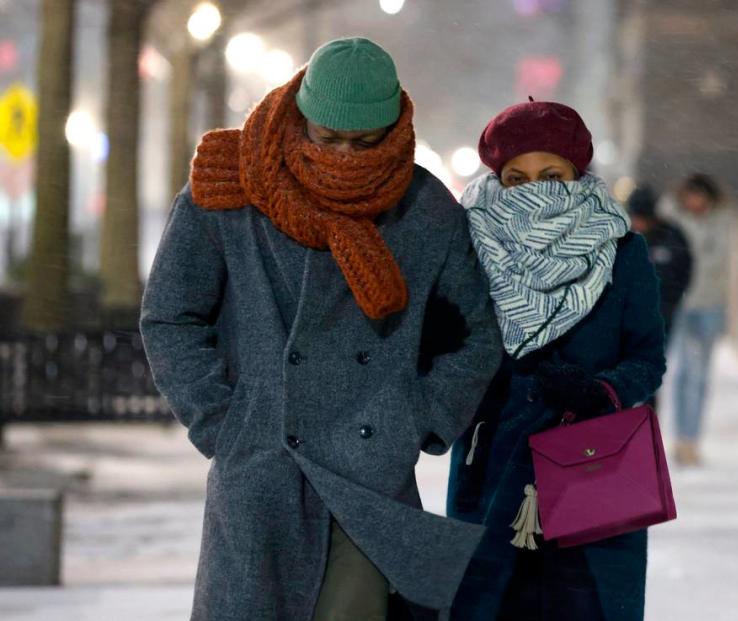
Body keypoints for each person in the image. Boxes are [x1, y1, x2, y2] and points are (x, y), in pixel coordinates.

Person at [140, 37, 502, 621]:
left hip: (369, 475)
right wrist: (221, 419)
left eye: (363, 144)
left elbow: (475, 334)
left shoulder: (424, 209)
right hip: (261, 464)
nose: (344, 157)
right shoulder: (228, 188)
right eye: (327, 138)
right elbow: (170, 315)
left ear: (393, 133)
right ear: (299, 118)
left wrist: (417, 417)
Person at [446, 100, 666, 621]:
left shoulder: (622, 250)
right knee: (487, 602)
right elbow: (444, 349)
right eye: (517, 177)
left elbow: (647, 358)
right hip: (492, 456)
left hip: (593, 457)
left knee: (585, 603)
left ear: (577, 174)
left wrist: (601, 392)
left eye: (551, 174)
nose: (535, 189)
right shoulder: (468, 247)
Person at [665, 173, 730, 467]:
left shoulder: (721, 223)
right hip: (680, 306)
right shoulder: (675, 221)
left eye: (699, 195)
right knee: (679, 373)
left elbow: (716, 261)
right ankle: (680, 439)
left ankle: (692, 439)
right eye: (690, 195)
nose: (695, 201)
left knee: (700, 376)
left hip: (709, 306)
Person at [627, 184, 693, 337]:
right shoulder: (622, 236)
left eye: (641, 218)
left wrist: (670, 302)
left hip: (662, 313)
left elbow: (684, 270)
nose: (637, 223)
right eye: (634, 217)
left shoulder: (671, 236)